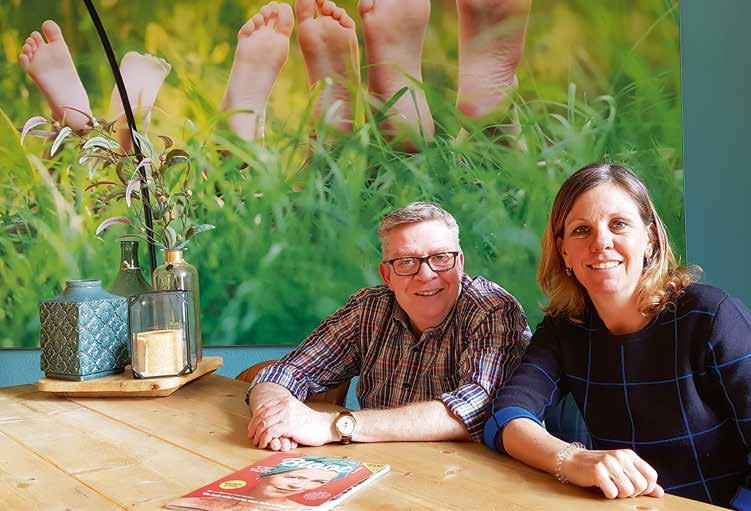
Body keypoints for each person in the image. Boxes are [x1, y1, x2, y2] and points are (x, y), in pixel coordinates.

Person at [483, 162, 751, 509]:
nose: (601, 243)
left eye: (619, 224)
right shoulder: (566, 328)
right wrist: (571, 459)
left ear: (649, 238)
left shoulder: (711, 315)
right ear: (564, 250)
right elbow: (505, 418)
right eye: (581, 230)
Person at [247, 201, 531, 451]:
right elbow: (287, 371)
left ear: (460, 262)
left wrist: (333, 426)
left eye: (441, 258)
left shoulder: (491, 308)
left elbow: (475, 409)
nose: (426, 275)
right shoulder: (369, 308)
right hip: (376, 470)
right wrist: (274, 419)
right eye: (407, 261)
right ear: (387, 274)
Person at [169, 457, 353, 511]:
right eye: (294, 477)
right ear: (265, 473)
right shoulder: (199, 502)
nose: (297, 486)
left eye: (318, 482)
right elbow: (293, 369)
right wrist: (275, 415)